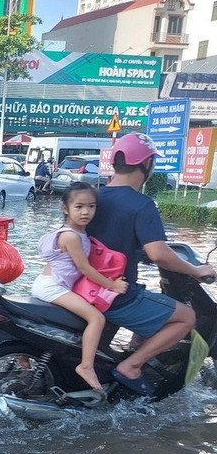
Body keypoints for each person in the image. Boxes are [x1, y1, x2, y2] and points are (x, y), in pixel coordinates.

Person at [88, 132, 216, 396]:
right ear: (146, 164)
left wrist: (138, 252)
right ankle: (132, 366)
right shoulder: (142, 203)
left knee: (155, 302)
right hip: (116, 296)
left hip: (86, 290)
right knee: (186, 316)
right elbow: (158, 253)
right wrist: (196, 270)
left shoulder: (93, 199)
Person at [32, 182, 128, 392]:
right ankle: (86, 366)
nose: (86, 212)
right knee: (97, 318)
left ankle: (25, 355)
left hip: (47, 284)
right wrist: (112, 285)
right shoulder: (71, 236)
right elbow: (84, 269)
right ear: (65, 209)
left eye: (91, 206)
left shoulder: (76, 233)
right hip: (53, 287)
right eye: (79, 207)